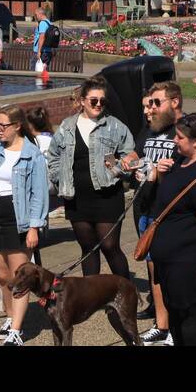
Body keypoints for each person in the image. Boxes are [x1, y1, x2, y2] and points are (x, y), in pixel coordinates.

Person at [143, 112, 196, 347]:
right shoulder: (180, 161)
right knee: (176, 313)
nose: (174, 141)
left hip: (189, 261)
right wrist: (161, 174)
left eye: (179, 137)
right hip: (168, 259)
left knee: (192, 316)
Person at [46, 76, 135, 279]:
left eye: (102, 101)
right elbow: (53, 155)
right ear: (82, 100)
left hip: (108, 196)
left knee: (109, 246)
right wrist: (60, 179)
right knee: (87, 248)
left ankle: (124, 290)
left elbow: (130, 154)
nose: (98, 105)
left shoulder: (115, 126)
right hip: (77, 197)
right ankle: (90, 296)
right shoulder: (67, 126)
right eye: (93, 100)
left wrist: (116, 170)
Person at [0, 103, 49, 346]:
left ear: (17, 126)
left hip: (19, 215)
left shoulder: (32, 154)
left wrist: (34, 227)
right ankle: (9, 317)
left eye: (3, 125)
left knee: (20, 276)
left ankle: (17, 329)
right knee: (3, 275)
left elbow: (39, 194)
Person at [123, 81, 182, 346]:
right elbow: (140, 148)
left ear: (175, 102)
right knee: (153, 267)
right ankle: (162, 324)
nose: (151, 109)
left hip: (168, 209)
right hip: (145, 206)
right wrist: (131, 160)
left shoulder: (185, 129)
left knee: (171, 270)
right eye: (149, 104)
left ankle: (173, 326)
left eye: (156, 103)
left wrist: (162, 172)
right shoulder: (151, 128)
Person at [31, 6, 53, 72]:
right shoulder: (49, 23)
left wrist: (39, 51)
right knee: (44, 72)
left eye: (36, 15)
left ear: (40, 14)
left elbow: (42, 37)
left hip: (42, 52)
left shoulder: (43, 23)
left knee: (34, 72)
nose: (35, 17)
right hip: (47, 51)